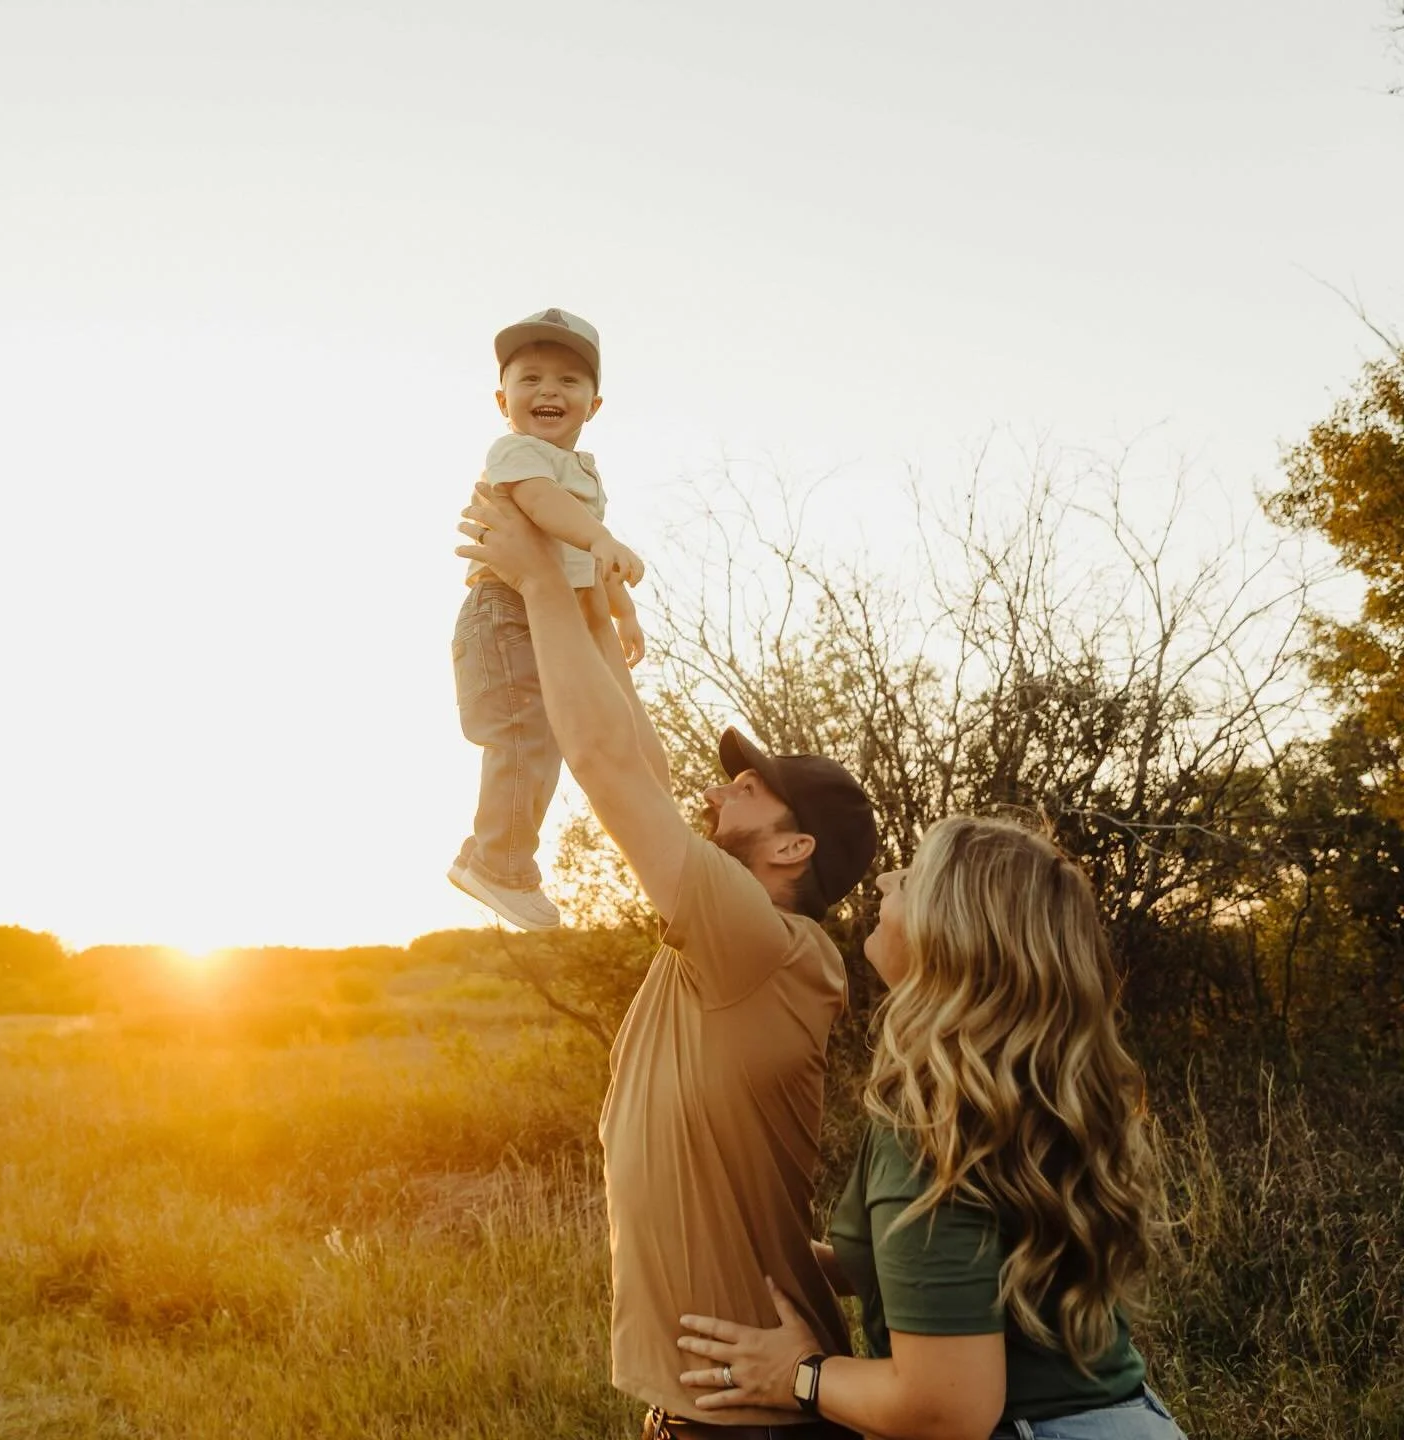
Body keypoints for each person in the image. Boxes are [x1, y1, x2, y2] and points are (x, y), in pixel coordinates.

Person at [455, 481, 877, 1438]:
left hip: (746, 1425)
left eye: (753, 784)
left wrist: (535, 585)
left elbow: (605, 766)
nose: (725, 785)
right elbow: (639, 765)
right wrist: (597, 606)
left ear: (793, 849)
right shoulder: (735, 945)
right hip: (711, 1418)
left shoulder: (762, 945)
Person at [675, 815, 1189, 1440]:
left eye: (912, 877)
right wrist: (805, 1264)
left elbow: (946, 1408)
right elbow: (977, 1272)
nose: (888, 878)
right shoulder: (1025, 1089)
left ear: (948, 935)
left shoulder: (933, 1120)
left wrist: (797, 1374)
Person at [449, 307, 647, 932]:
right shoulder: (517, 454)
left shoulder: (582, 474)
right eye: (530, 379)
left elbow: (583, 554)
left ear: (594, 404)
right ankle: (501, 866)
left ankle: (485, 851)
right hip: (503, 612)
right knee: (522, 734)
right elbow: (541, 506)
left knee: (549, 739)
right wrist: (599, 541)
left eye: (568, 381)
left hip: (546, 617)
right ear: (501, 397)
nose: (548, 392)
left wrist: (625, 612)